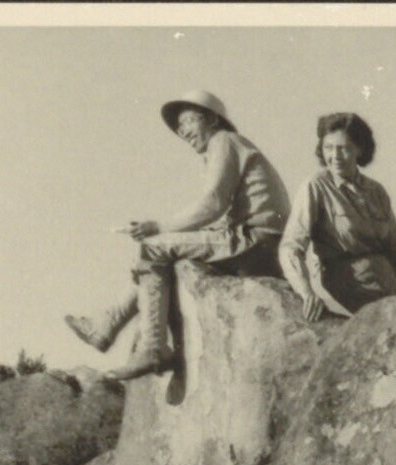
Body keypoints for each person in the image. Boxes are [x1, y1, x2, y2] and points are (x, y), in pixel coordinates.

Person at [65, 90, 291, 381]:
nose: (183, 131)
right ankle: (106, 325)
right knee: (156, 254)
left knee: (152, 249)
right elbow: (218, 212)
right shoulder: (221, 149)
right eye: (179, 127)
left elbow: (213, 204)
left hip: (255, 240)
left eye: (188, 121)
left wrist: (160, 227)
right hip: (257, 240)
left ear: (212, 119)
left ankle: (151, 347)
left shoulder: (224, 141)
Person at [279, 112, 396, 321]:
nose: (335, 156)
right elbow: (290, 247)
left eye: (343, 148)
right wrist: (306, 293)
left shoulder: (376, 192)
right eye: (328, 148)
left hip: (390, 289)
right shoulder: (316, 187)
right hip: (346, 289)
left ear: (359, 149)